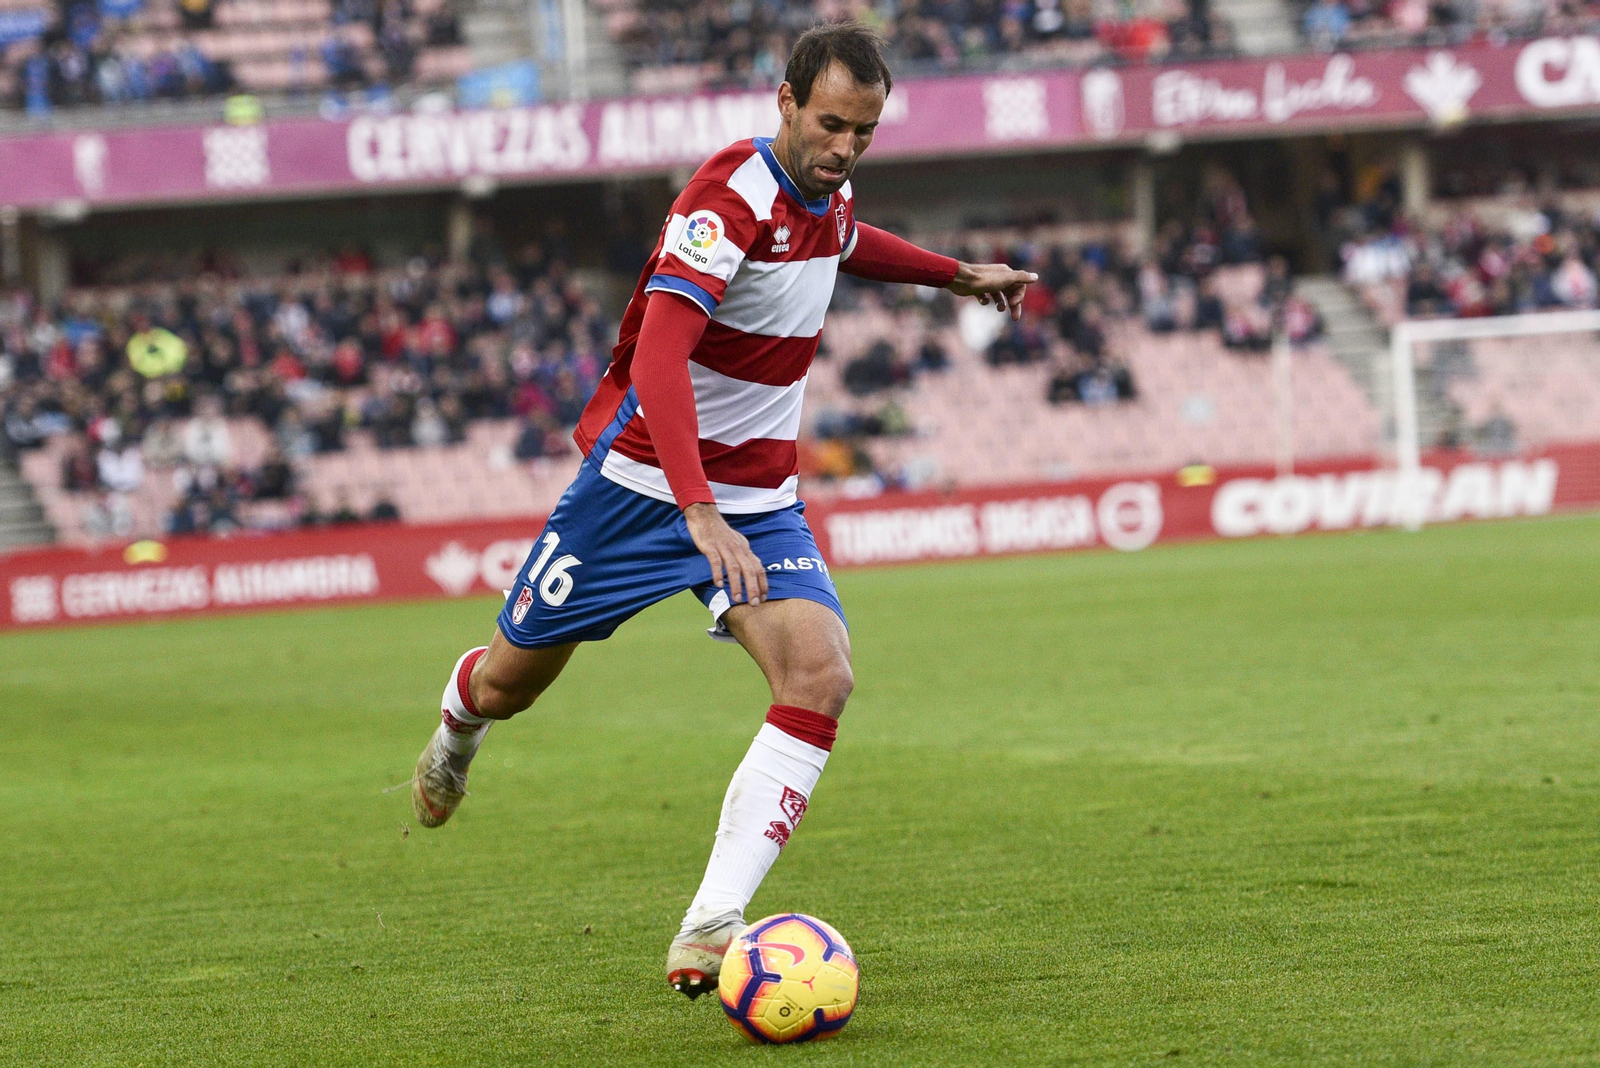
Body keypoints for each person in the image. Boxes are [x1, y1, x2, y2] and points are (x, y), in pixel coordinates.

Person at [406, 22, 1036, 1000]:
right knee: (505, 686)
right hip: (643, 490)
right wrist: (698, 514)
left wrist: (955, 273)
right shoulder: (728, 193)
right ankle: (453, 733)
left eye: (863, 133)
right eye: (830, 125)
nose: (844, 148)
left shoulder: (826, 192)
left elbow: (842, 242)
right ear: (784, 103)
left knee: (819, 675)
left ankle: (710, 923)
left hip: (757, 498)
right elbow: (659, 355)